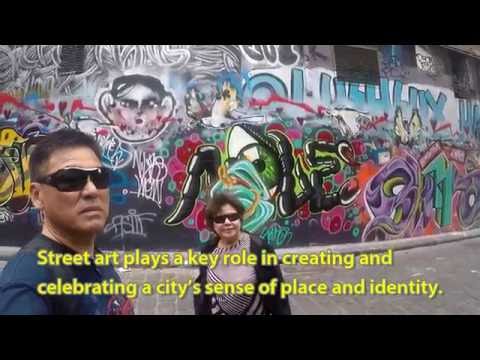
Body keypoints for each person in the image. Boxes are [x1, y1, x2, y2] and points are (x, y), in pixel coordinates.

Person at [0, 129, 134, 315]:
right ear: (37, 196)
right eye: (71, 180)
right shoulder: (25, 286)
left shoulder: (93, 256)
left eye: (99, 177)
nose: (92, 190)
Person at [194, 191, 291, 315]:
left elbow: (278, 296)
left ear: (240, 219)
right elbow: (203, 293)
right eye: (220, 219)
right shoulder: (208, 251)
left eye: (233, 217)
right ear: (212, 224)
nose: (227, 222)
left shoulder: (260, 249)